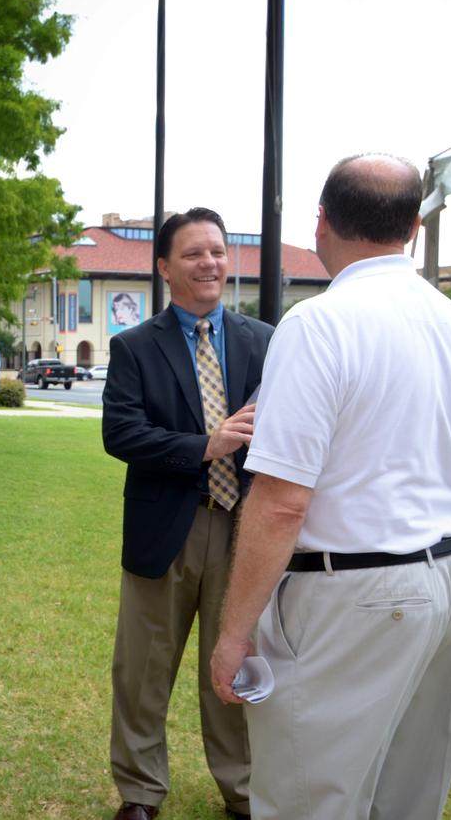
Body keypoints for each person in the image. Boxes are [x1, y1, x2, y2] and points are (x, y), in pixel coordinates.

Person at [210, 154, 451, 820]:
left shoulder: (318, 324)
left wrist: (234, 632)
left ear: (321, 222)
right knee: (408, 794)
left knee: (308, 797)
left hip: (355, 591)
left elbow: (282, 501)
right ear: (413, 226)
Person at [102, 208, 272, 820]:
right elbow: (121, 434)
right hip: (165, 527)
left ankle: (245, 791)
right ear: (165, 267)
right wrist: (206, 444)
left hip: (247, 527)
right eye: (195, 253)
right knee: (144, 669)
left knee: (234, 660)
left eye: (219, 252)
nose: (210, 263)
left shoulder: (266, 341)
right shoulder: (133, 348)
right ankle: (140, 793)